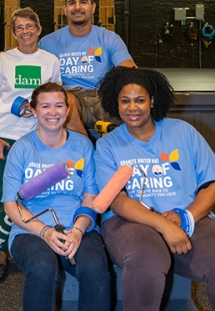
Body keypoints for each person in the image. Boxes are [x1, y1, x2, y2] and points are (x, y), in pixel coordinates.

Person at [94, 66, 215, 311]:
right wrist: (164, 225)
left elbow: (211, 185)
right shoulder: (108, 146)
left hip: (186, 217)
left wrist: (186, 216)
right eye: (124, 101)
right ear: (115, 104)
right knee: (146, 258)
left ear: (152, 100)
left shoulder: (183, 132)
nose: (132, 107)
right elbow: (117, 201)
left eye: (140, 100)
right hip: (128, 221)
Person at [0, 7, 61, 283]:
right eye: (19, 28)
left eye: (29, 26)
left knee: (19, 197)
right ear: (13, 32)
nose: (25, 31)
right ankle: (1, 256)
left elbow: (55, 100)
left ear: (39, 28)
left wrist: (41, 109)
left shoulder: (50, 61)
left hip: (31, 140)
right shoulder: (2, 60)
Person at [1, 82, 111, 311]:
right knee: (43, 267)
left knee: (95, 268)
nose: (53, 112)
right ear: (34, 110)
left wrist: (79, 230)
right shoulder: (21, 149)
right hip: (29, 229)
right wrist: (45, 231)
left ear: (68, 110)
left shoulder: (82, 145)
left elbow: (90, 195)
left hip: (77, 225)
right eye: (45, 106)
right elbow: (11, 205)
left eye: (59, 106)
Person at [0, 0, 137, 131]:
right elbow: (24, 61)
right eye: (72, 3)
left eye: (83, 2)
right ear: (65, 9)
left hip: (102, 97)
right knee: (64, 100)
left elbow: (129, 71)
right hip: (68, 99)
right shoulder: (48, 43)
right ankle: (86, 150)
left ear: (93, 7)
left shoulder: (109, 38)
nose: (77, 7)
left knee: (138, 105)